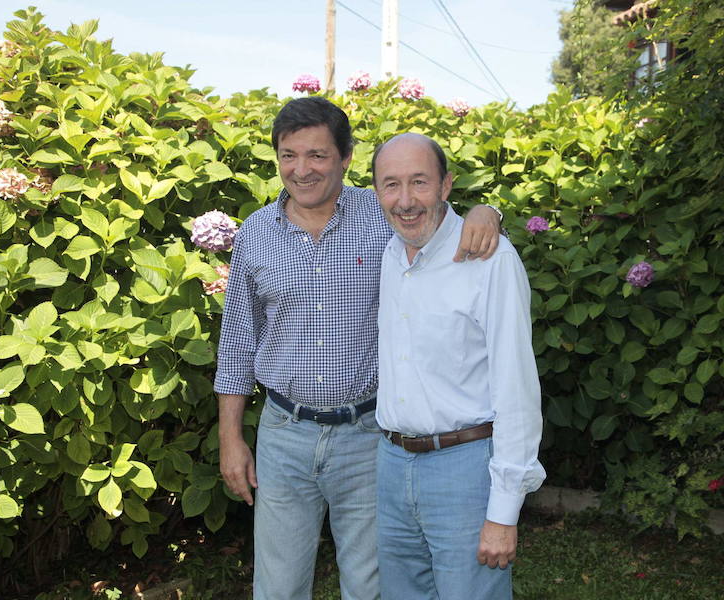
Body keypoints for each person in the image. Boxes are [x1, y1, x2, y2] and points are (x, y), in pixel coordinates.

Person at [214, 97, 501, 600]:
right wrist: (230, 438)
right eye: (288, 155)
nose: (301, 170)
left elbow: (446, 222)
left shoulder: (383, 216)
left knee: (370, 586)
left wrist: (488, 211)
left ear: (346, 158)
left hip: (369, 437)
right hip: (283, 435)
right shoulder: (256, 233)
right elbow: (237, 342)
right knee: (278, 588)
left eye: (317, 155)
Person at [372, 132, 545, 600]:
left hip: (465, 470)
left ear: (446, 185)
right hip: (390, 465)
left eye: (420, 182)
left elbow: (517, 391)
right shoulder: (385, 251)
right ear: (375, 193)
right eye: (391, 184)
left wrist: (503, 513)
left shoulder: (490, 260)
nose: (405, 200)